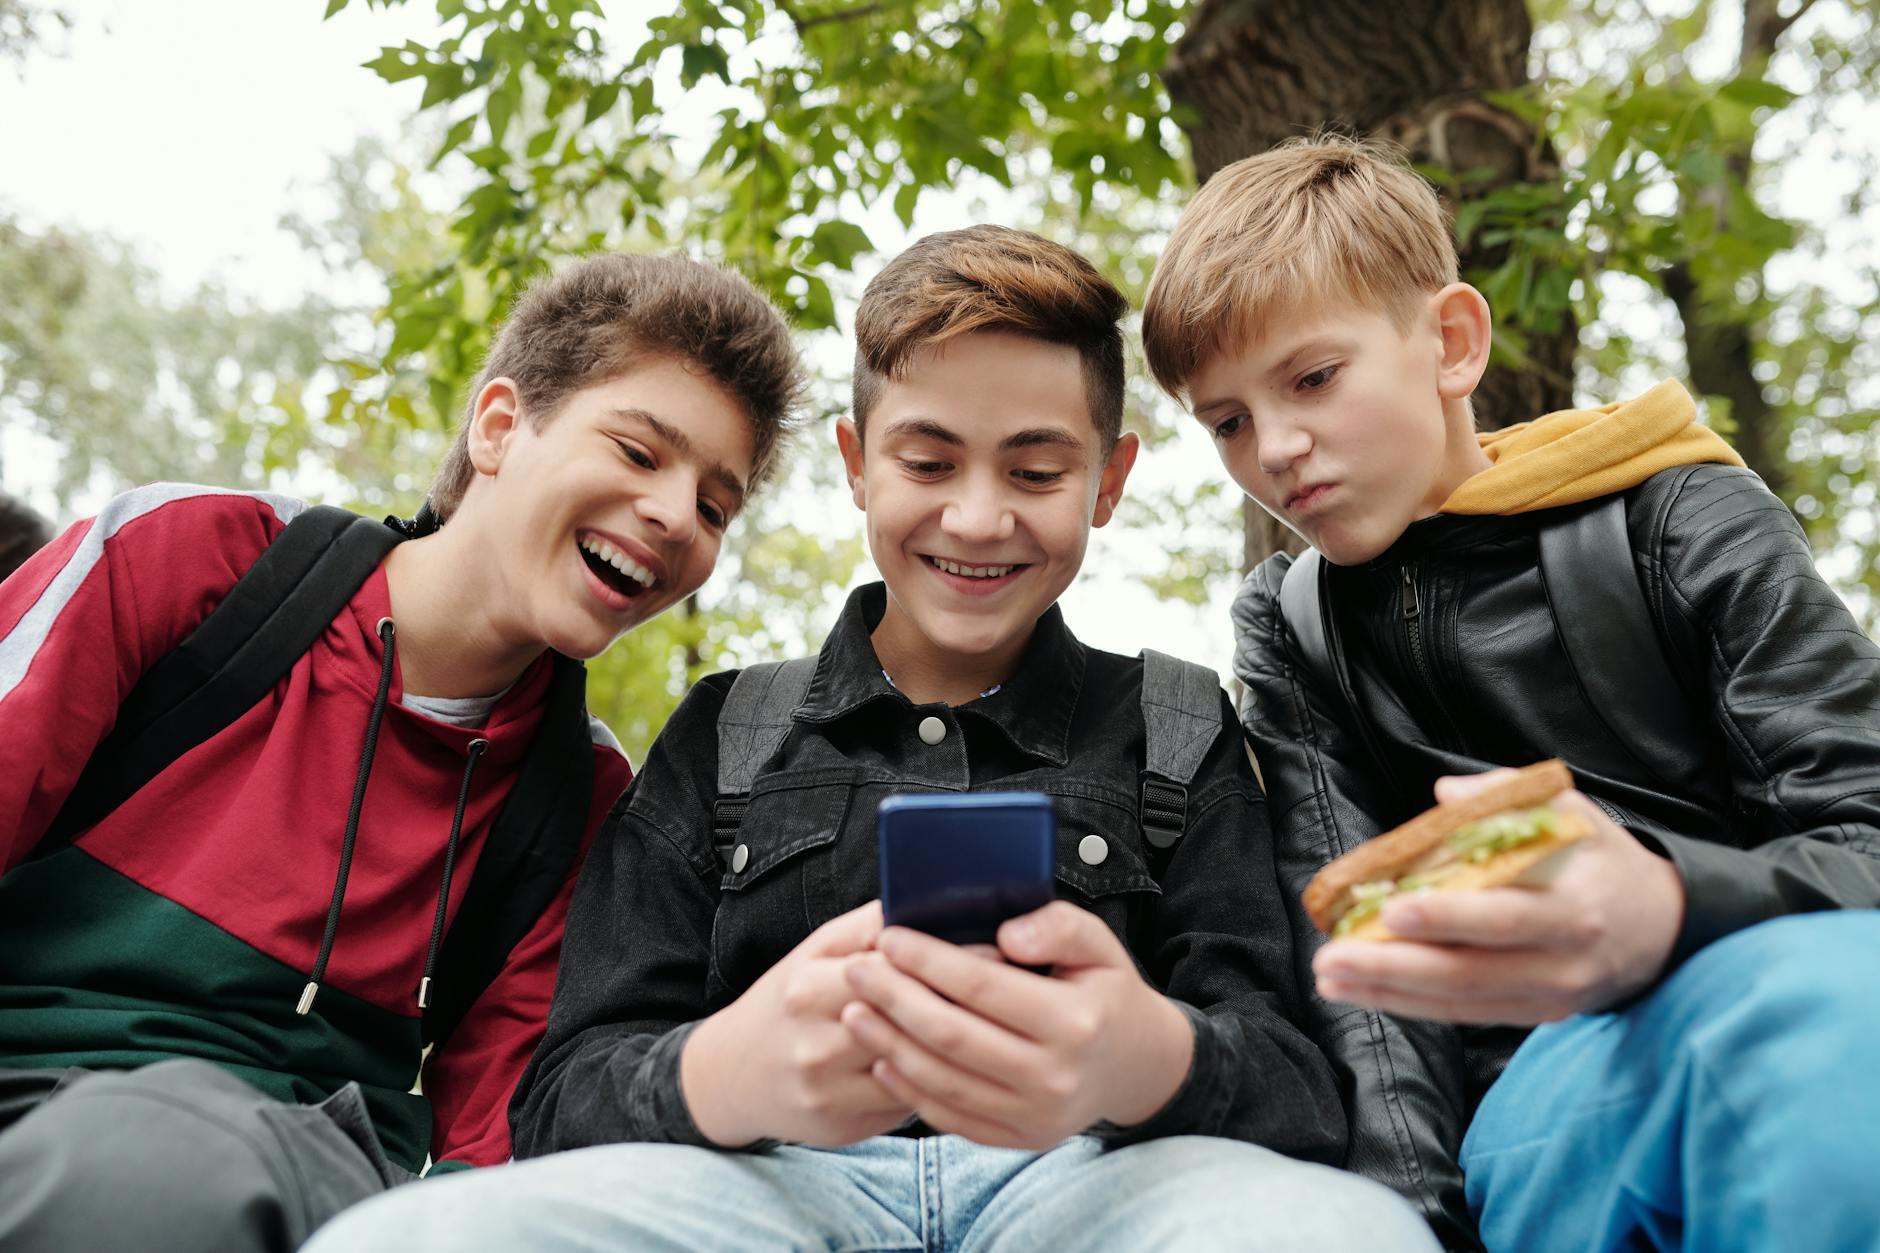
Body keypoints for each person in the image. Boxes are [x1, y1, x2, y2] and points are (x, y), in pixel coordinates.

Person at [307, 225, 1438, 1252]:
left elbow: (1294, 1079)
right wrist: (726, 1070)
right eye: (927, 462)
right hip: (763, 1192)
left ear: (1107, 480)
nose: (978, 516)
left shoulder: (1179, 724)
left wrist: (1146, 1050)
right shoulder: (726, 733)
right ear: (856, 463)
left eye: (1036, 470)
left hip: (1101, 1187)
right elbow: (560, 1092)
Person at [1139, 133, 1880, 1252]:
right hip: (1540, 1100)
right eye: (1227, 422)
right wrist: (1412, 1222)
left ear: (1449, 342)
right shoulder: (1293, 629)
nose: (1275, 450)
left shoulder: (1679, 518)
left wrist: (1669, 906)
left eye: (1311, 377)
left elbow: (1862, 828)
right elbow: (1358, 969)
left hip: (1807, 1004)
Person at [0, 252, 804, 1252]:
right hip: (41, 1101)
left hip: (332, 1179)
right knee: (149, 1160)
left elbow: (496, 1149)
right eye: (640, 453)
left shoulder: (582, 803)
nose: (677, 515)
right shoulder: (192, 560)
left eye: (715, 506)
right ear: (500, 426)